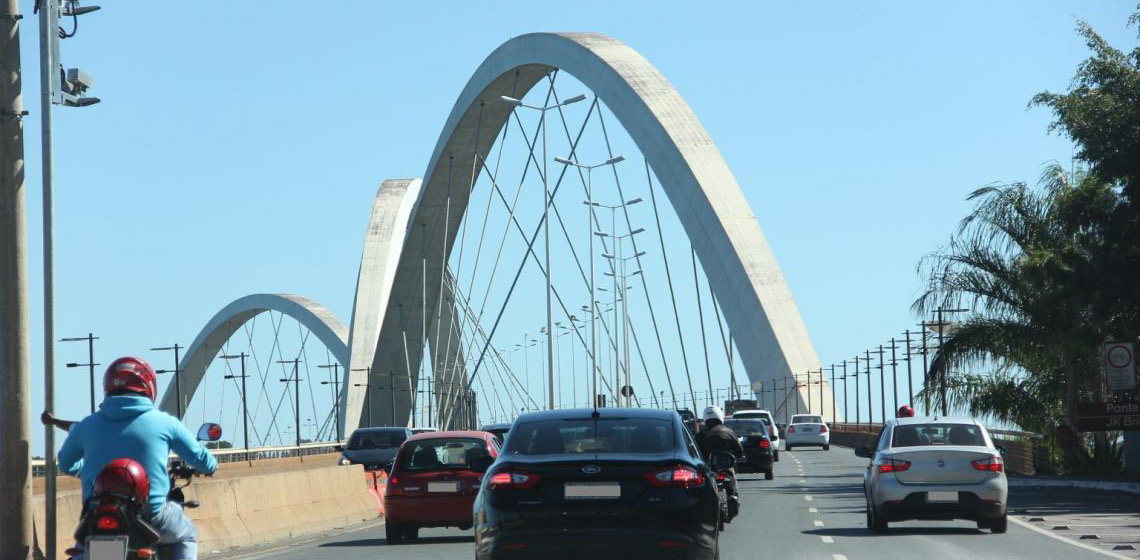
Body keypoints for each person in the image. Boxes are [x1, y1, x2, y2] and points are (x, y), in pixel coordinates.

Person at [56, 356, 218, 560]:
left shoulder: (87, 425)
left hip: (97, 516)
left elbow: (65, 463)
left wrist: (89, 471)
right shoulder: (164, 423)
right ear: (148, 387)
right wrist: (210, 466)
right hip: (151, 516)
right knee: (187, 535)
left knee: (82, 550)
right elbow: (199, 458)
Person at [695, 405, 743, 515]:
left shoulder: (700, 435)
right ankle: (734, 497)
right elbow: (740, 451)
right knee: (733, 484)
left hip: (707, 469)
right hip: (725, 467)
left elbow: (694, 453)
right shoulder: (729, 432)